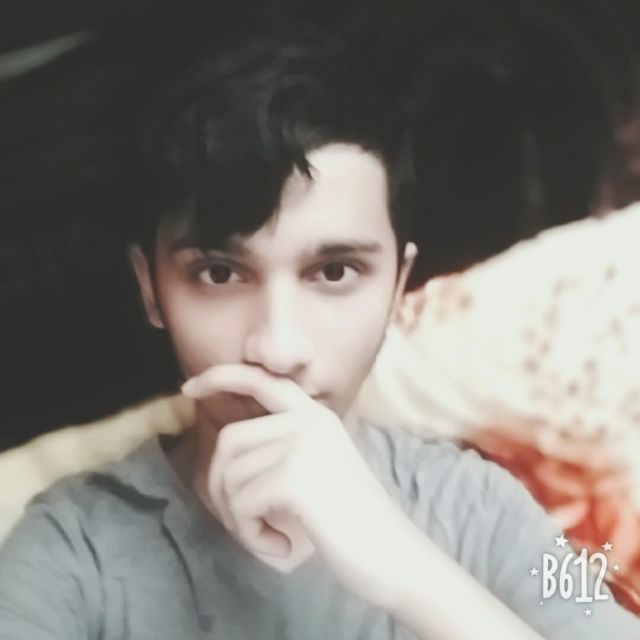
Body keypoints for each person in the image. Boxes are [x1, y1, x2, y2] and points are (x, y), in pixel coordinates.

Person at [0, 24, 638, 640]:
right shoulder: (69, 549)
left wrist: (408, 573)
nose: (279, 348)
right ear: (151, 290)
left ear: (397, 286)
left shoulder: (488, 507)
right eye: (220, 274)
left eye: (334, 272)